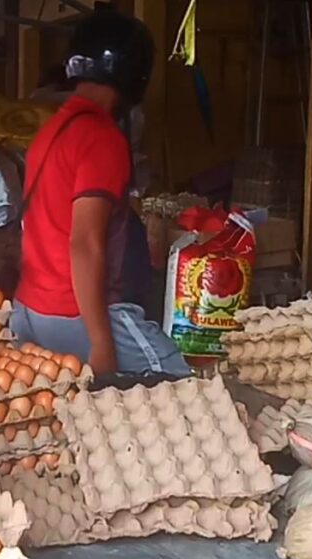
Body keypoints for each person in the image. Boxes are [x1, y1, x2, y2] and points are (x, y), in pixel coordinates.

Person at [11, 8, 190, 377]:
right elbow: (85, 244)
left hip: (28, 311)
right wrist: (101, 341)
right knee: (183, 383)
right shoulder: (101, 139)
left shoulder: (51, 131)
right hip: (72, 314)